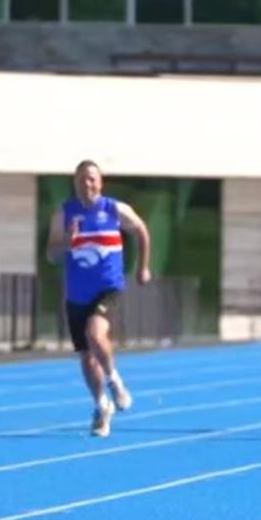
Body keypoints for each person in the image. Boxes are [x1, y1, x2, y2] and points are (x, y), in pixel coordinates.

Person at [45, 160, 152, 438]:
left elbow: (141, 230)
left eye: (92, 179)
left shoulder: (114, 209)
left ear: (101, 182)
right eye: (82, 180)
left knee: (95, 332)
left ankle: (115, 383)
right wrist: (66, 244)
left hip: (109, 287)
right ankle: (102, 406)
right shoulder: (64, 214)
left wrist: (143, 266)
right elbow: (51, 254)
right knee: (86, 357)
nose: (87, 184)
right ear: (75, 183)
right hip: (77, 293)